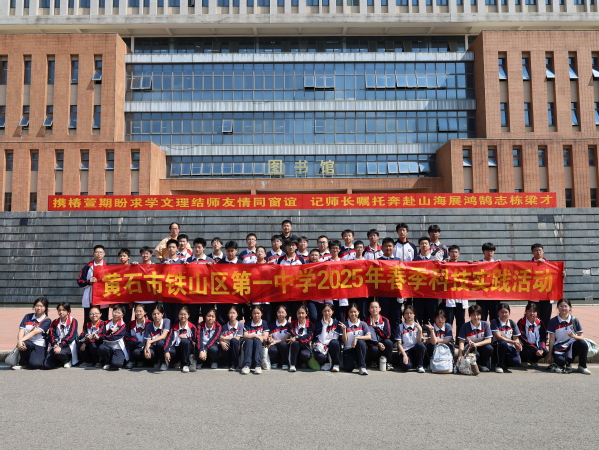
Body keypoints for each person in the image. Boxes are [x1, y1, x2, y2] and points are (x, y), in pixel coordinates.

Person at [547, 299, 590, 374]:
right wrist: (549, 355)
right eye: (561, 306)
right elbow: (552, 339)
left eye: (565, 306)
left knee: (582, 343)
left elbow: (581, 337)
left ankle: (582, 366)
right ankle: (566, 363)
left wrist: (574, 336)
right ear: (557, 307)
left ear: (570, 308)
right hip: (559, 347)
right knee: (560, 361)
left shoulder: (574, 320)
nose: (563, 308)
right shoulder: (553, 321)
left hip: (572, 346)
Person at [12, 297, 52, 370]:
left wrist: (20, 340)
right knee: (25, 344)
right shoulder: (27, 316)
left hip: (39, 344)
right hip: (27, 342)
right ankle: (22, 362)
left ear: (46, 307)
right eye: (37, 306)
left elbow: (34, 332)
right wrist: (20, 341)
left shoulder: (47, 320)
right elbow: (21, 330)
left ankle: (38, 356)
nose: (39, 308)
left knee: (35, 365)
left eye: (41, 306)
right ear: (34, 306)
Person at [529, 243, 562, 328]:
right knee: (533, 317)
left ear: (543, 251)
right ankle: (533, 333)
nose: (538, 252)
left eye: (540, 250)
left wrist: (562, 274)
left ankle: (544, 334)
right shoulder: (527, 265)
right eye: (536, 250)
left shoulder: (550, 265)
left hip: (547, 295)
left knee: (546, 318)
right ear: (532, 252)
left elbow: (557, 274)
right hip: (534, 296)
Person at [438, 245, 467, 334]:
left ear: (459, 254)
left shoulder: (464, 266)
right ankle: (448, 338)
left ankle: (459, 339)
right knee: (448, 321)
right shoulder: (444, 265)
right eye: (452, 252)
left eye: (456, 252)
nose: (454, 254)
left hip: (460, 297)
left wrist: (471, 264)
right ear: (448, 254)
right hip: (449, 297)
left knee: (460, 321)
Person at [185, 237, 214, 324]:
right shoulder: (189, 260)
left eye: (199, 247)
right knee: (192, 315)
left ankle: (205, 331)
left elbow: (215, 276)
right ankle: (193, 331)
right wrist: (184, 268)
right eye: (195, 247)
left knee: (206, 314)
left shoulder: (210, 261)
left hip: (206, 292)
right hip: (192, 292)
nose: (197, 249)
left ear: (204, 248)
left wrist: (212, 267)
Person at [412, 237, 440, 326]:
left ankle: (432, 333)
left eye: (426, 243)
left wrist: (438, 264)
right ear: (419, 246)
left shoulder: (434, 260)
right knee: (418, 315)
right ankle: (418, 332)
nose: (424, 245)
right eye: (422, 244)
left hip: (431, 293)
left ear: (429, 246)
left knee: (433, 315)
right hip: (418, 293)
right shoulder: (415, 260)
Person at [457, 305, 493, 372]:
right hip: (470, 347)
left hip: (480, 345)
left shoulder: (485, 324)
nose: (476, 317)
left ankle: (483, 364)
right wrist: (460, 355)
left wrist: (476, 344)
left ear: (481, 315)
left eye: (478, 315)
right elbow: (461, 341)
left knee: (489, 348)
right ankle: (474, 366)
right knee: (476, 354)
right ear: (470, 315)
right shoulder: (465, 326)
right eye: (473, 315)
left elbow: (489, 340)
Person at [43, 302, 78, 370]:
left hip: (67, 345)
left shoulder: (73, 321)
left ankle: (67, 360)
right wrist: (54, 344)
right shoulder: (55, 321)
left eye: (64, 310)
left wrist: (61, 346)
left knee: (60, 353)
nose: (61, 312)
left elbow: (71, 335)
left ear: (68, 311)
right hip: (56, 345)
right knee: (46, 366)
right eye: (59, 310)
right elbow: (51, 334)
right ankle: (59, 361)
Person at [77, 244, 108, 320]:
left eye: (101, 252)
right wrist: (89, 282)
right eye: (97, 252)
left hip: (103, 298)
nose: (99, 254)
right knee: (88, 319)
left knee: (103, 319)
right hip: (90, 297)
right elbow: (79, 281)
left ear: (104, 253)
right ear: (93, 254)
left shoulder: (108, 267)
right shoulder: (87, 267)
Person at [217, 240, 244, 324]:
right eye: (228, 251)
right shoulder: (220, 263)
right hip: (223, 295)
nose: (230, 253)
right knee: (223, 316)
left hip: (236, 295)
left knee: (235, 316)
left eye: (232, 251)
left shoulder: (241, 263)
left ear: (236, 250)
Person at [490, 303, 522, 373]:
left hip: (509, 346)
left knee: (516, 362)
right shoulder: (494, 322)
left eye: (506, 312)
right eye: (502, 312)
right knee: (503, 343)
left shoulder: (513, 323)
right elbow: (498, 337)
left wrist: (517, 344)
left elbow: (516, 338)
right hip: (498, 346)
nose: (504, 314)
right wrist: (513, 342)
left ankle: (504, 363)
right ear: (498, 312)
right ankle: (498, 365)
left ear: (509, 313)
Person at [164, 305, 198, 373]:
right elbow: (169, 339)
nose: (183, 316)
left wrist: (187, 338)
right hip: (177, 348)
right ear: (178, 315)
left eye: (184, 314)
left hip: (188, 349)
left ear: (188, 315)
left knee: (184, 341)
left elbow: (195, 341)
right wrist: (166, 351)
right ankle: (177, 361)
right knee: (169, 352)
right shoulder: (174, 327)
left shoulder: (192, 327)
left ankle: (186, 364)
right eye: (181, 314)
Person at [473, 243, 501, 323]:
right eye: (487, 251)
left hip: (494, 295)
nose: (490, 253)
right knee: (482, 316)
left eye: (492, 251)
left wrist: (501, 265)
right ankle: (482, 330)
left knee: (495, 317)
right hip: (482, 295)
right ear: (483, 251)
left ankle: (495, 331)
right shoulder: (477, 264)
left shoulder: (498, 264)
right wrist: (470, 264)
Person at [394, 305, 426, 373]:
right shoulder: (400, 327)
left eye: (411, 313)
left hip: (415, 349)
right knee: (406, 366)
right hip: (406, 350)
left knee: (421, 345)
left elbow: (418, 342)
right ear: (404, 315)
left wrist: (420, 331)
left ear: (414, 314)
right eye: (407, 313)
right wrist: (404, 355)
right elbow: (399, 344)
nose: (409, 315)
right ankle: (410, 362)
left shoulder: (417, 326)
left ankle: (420, 366)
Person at [341, 303, 371, 375]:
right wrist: (344, 330)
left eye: (355, 312)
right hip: (348, 349)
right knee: (348, 368)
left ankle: (362, 367)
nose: (353, 314)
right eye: (351, 312)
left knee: (361, 341)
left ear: (358, 312)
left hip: (359, 349)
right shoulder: (344, 324)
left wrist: (356, 338)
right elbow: (344, 340)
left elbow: (369, 336)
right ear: (348, 313)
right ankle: (351, 362)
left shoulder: (363, 324)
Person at [377, 237, 402, 322]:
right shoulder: (378, 261)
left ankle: (395, 331)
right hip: (383, 293)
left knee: (396, 316)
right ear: (382, 247)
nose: (388, 248)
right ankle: (385, 331)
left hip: (395, 293)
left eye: (390, 246)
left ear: (393, 247)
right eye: (386, 246)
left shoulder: (398, 261)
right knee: (384, 316)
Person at [97, 304, 129, 371]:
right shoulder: (106, 323)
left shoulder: (123, 325)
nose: (116, 314)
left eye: (119, 313)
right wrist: (109, 331)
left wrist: (102, 337)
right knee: (101, 347)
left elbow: (114, 337)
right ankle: (107, 362)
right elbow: (100, 334)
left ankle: (117, 360)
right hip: (107, 346)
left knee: (116, 364)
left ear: (122, 315)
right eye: (115, 312)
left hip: (118, 347)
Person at [517, 302, 548, 368]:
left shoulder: (540, 323)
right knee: (528, 351)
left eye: (534, 311)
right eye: (529, 311)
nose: (532, 313)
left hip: (536, 345)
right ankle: (523, 361)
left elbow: (543, 337)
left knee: (545, 351)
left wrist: (540, 348)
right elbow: (522, 338)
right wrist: (536, 349)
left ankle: (533, 361)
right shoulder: (521, 322)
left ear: (537, 313)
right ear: (526, 311)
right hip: (526, 345)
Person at [312, 303, 342, 372]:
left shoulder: (337, 323)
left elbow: (335, 339)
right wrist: (325, 326)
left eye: (329, 311)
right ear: (322, 312)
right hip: (322, 347)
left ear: (333, 312)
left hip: (332, 346)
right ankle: (326, 362)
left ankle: (336, 364)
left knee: (334, 342)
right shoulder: (318, 324)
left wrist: (325, 342)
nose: (327, 313)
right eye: (325, 311)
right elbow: (322, 340)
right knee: (319, 357)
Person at [365, 299, 393, 371]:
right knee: (374, 349)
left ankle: (389, 362)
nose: (374, 309)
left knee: (388, 342)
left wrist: (376, 328)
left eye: (376, 307)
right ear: (369, 309)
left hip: (383, 341)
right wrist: (377, 344)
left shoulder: (385, 320)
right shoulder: (365, 321)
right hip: (372, 343)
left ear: (380, 309)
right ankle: (373, 361)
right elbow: (365, 337)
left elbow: (387, 335)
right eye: (372, 307)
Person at [241, 305, 270, 375]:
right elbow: (245, 336)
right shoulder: (247, 324)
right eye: (254, 313)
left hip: (262, 344)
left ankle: (258, 366)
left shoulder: (264, 323)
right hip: (248, 343)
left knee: (257, 340)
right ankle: (246, 365)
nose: (256, 315)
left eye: (258, 313)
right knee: (249, 340)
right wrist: (255, 336)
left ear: (261, 314)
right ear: (251, 314)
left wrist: (257, 337)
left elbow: (265, 337)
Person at [143, 303, 171, 371]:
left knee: (160, 343)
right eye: (154, 314)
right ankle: (157, 361)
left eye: (158, 314)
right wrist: (146, 349)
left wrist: (151, 341)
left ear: (162, 314)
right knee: (140, 353)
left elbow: (163, 336)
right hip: (154, 346)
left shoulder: (166, 321)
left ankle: (164, 363)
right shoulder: (149, 325)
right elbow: (148, 340)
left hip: (165, 346)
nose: (156, 316)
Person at [287, 304, 313, 372]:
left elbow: (309, 337)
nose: (301, 315)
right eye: (299, 313)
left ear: (306, 314)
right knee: (295, 342)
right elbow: (292, 334)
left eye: (303, 313)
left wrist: (297, 337)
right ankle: (292, 365)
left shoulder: (310, 324)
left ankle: (303, 362)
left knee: (305, 355)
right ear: (296, 314)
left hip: (305, 345)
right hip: (295, 345)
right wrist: (297, 338)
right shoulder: (292, 324)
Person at [125, 303, 151, 369]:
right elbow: (127, 335)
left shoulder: (149, 323)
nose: (138, 313)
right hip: (135, 345)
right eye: (136, 311)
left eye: (140, 311)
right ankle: (131, 361)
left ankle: (142, 361)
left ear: (145, 312)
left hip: (147, 345)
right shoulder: (131, 323)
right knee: (130, 341)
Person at [327, 239, 348, 321]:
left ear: (339, 249)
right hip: (330, 292)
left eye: (336, 248)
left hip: (341, 292)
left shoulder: (344, 262)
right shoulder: (326, 263)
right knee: (330, 316)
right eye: (333, 248)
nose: (335, 250)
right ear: (330, 249)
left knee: (341, 317)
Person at [220, 305, 244, 371]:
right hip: (228, 346)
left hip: (237, 347)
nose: (232, 315)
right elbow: (221, 338)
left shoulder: (241, 324)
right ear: (227, 314)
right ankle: (226, 363)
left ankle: (234, 364)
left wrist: (225, 338)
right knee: (224, 345)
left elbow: (238, 338)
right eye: (230, 313)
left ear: (237, 314)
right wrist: (222, 342)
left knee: (234, 340)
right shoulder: (224, 326)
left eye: (234, 313)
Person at [267, 305, 291, 370]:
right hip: (274, 343)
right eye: (279, 312)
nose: (280, 314)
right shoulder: (272, 325)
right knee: (272, 349)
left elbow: (286, 338)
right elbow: (270, 335)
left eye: (282, 312)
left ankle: (285, 363)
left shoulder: (289, 325)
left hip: (284, 343)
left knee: (283, 344)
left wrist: (275, 341)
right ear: (276, 313)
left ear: (286, 314)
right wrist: (270, 339)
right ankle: (275, 362)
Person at [117, 248, 134, 323]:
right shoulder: (116, 269)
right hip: (118, 298)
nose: (122, 258)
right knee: (117, 318)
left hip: (128, 299)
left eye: (124, 256)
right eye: (120, 256)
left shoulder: (132, 268)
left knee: (127, 320)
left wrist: (131, 301)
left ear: (129, 257)